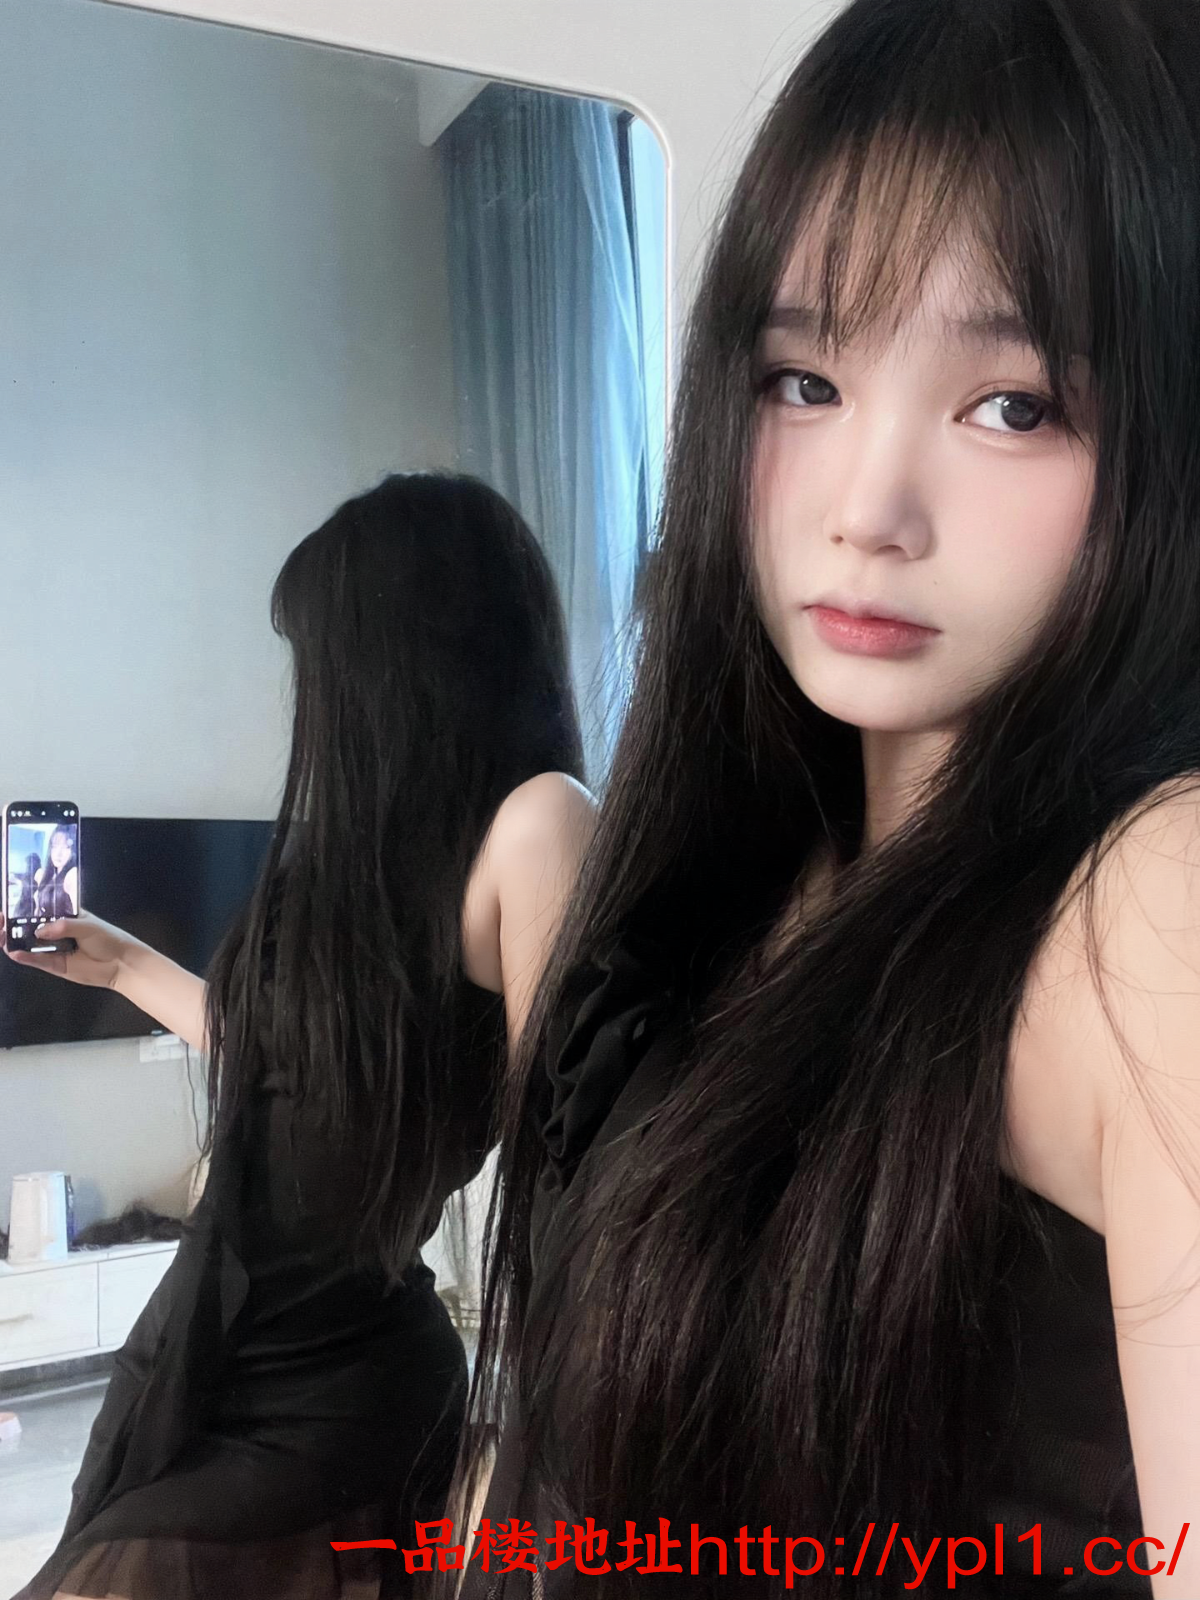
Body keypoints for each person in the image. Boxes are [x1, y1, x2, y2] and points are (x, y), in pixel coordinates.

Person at [453, 3, 1200, 1597]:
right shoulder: (746, 876)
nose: (867, 511)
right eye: (802, 381)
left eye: (1014, 406)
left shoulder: (1152, 897)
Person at [5, 472, 594, 1600]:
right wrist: (121, 964)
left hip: (336, 1381)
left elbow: (578, 1153)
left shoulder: (538, 821)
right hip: (209, 1343)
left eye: (321, 659)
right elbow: (293, 1069)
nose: (311, 696)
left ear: (404, 657)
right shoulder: (362, 860)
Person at [33, 827, 78, 919]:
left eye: (66, 847)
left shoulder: (72, 875)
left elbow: (79, 920)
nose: (58, 853)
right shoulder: (47, 875)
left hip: (64, 928)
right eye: (54, 846)